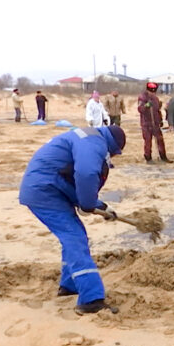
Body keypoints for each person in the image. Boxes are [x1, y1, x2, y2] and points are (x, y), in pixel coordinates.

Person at [18, 125, 126, 315]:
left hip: (48, 186)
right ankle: (91, 300)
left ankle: (69, 285)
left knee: (77, 236)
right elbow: (86, 173)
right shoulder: (95, 143)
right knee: (74, 238)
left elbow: (67, 174)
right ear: (113, 146)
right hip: (44, 190)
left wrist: (100, 206)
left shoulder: (89, 137)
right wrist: (87, 203)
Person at [138, 82, 171, 163]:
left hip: (155, 124)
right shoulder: (142, 98)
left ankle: (163, 156)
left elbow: (157, 111)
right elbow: (140, 109)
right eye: (151, 92)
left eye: (154, 92)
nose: (152, 93)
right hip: (146, 124)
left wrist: (160, 120)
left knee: (160, 140)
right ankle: (148, 157)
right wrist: (146, 106)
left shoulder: (156, 99)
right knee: (148, 141)